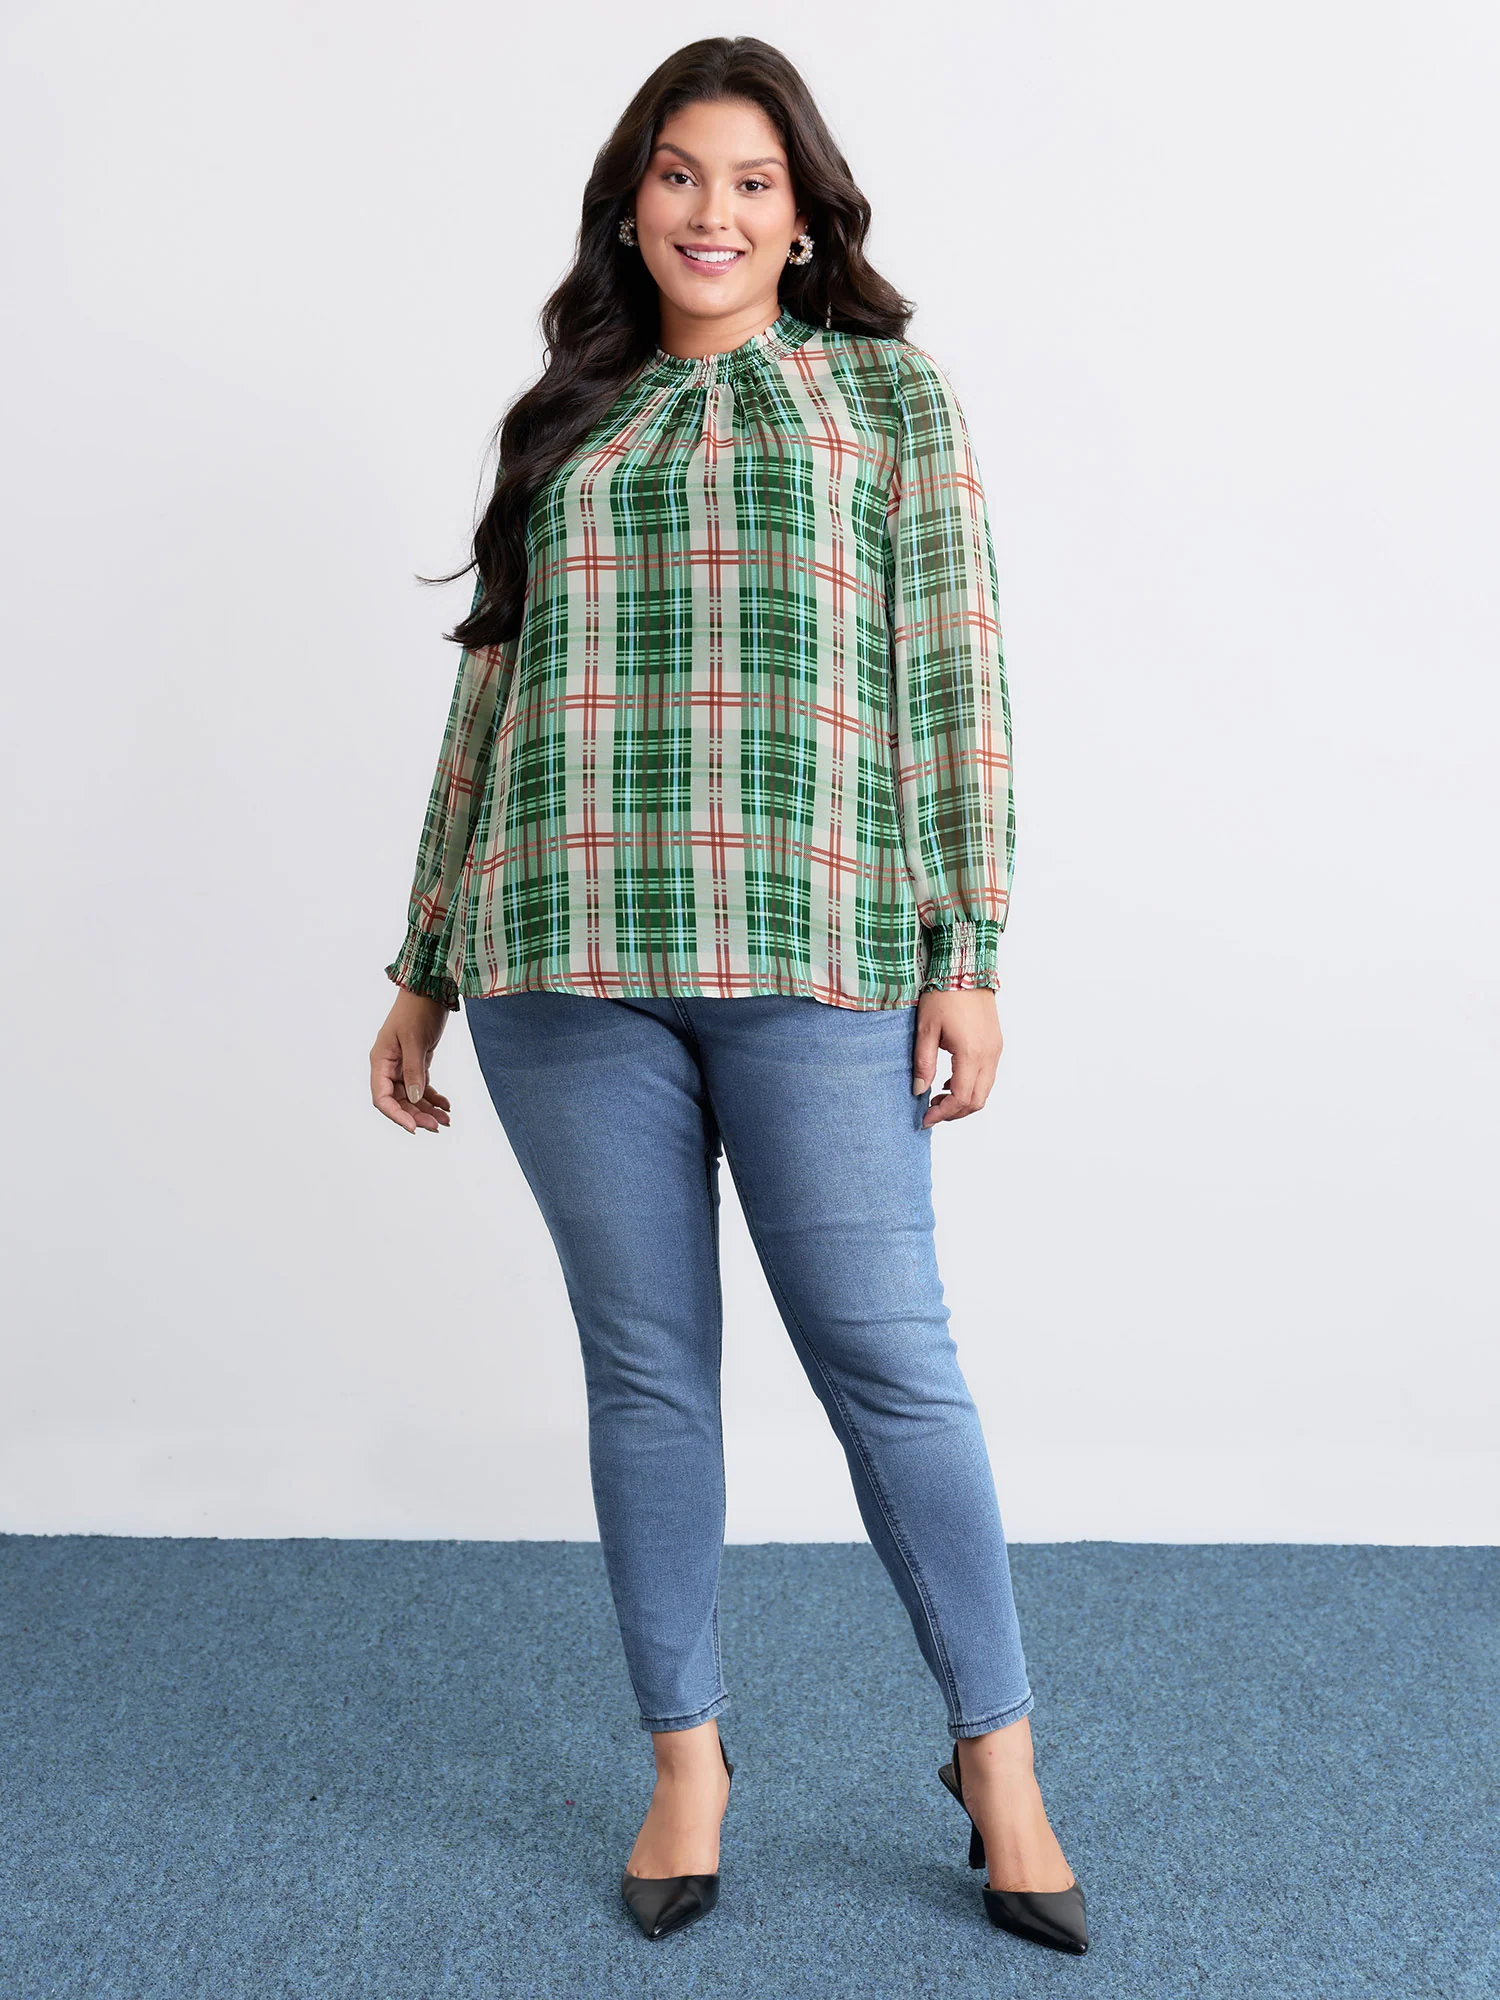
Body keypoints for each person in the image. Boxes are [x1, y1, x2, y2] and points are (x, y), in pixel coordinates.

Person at [368, 36, 1088, 1957]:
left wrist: (969, 950)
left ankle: (998, 1758)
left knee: (888, 1358)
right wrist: (424, 964)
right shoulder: (563, 423)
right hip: (558, 954)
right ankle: (685, 1759)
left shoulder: (886, 400)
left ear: (804, 214)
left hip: (814, 946)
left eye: (753, 181)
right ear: (633, 206)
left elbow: (956, 675)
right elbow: (485, 703)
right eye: (680, 175)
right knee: (646, 1369)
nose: (713, 211)